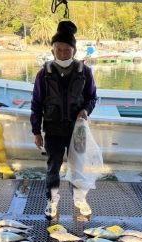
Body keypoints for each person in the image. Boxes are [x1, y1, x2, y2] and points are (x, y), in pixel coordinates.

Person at [30, 20, 97, 219]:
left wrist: (85, 110)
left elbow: (92, 97)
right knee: (53, 168)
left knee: (78, 166)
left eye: (66, 50)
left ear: (73, 51)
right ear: (52, 51)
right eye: (58, 49)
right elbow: (36, 104)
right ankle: (52, 200)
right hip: (53, 130)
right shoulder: (44, 74)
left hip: (78, 130)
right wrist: (36, 131)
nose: (62, 53)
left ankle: (79, 199)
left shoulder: (84, 72)